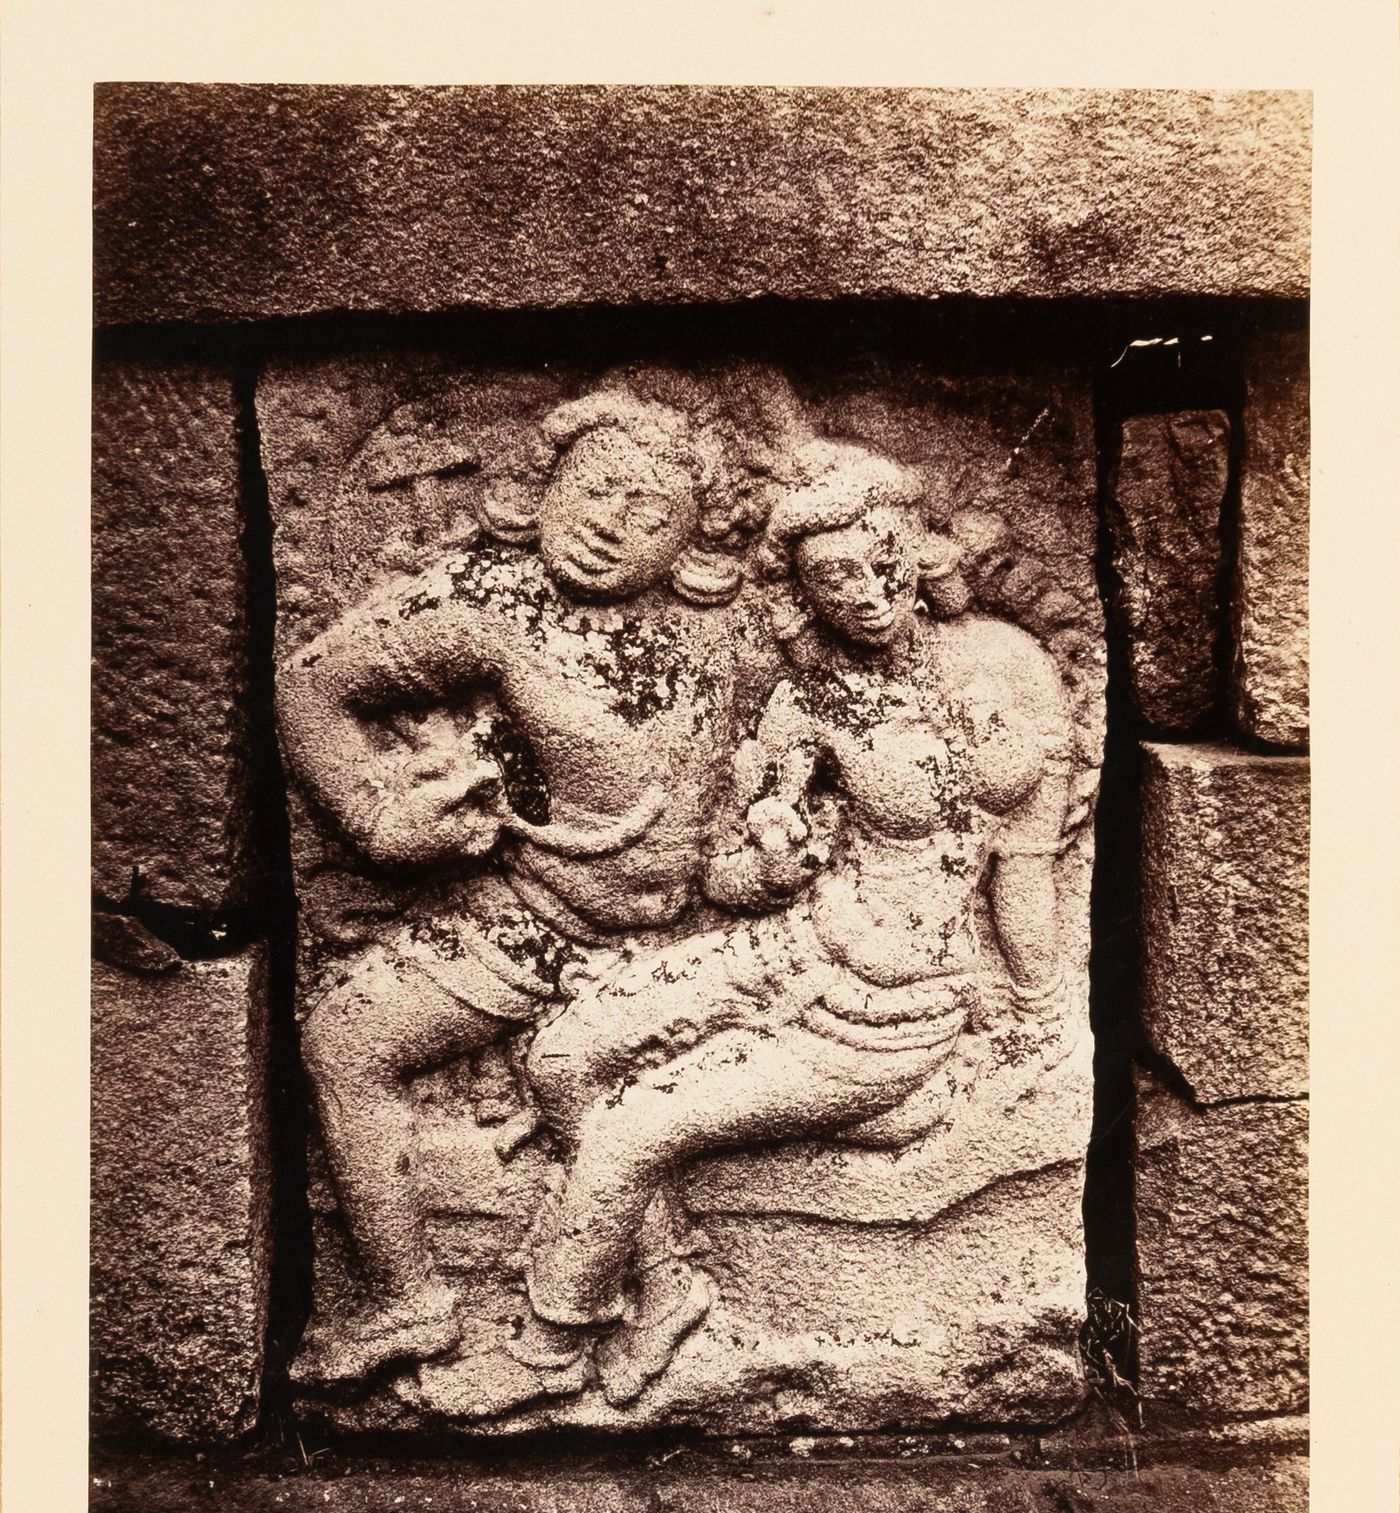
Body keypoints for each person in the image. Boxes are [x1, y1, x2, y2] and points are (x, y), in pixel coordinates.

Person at [514, 439, 1079, 1407]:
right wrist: (769, 853)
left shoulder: (1003, 669)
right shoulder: (806, 696)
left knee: (625, 1130)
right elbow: (729, 877)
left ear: (919, 546)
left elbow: (1025, 868)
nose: (862, 591)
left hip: (891, 1012)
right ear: (803, 594)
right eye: (832, 578)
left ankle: (542, 1351)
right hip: (792, 946)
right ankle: (667, 1285)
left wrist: (1033, 1016)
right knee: (561, 1060)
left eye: (879, 560)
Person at [277, 373, 777, 1389]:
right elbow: (311, 685)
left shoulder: (723, 632)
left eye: (649, 514)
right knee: (345, 1035)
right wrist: (380, 818)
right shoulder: (495, 611)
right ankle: (406, 1300)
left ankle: (644, 1290)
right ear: (542, 488)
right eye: (594, 490)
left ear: (688, 543)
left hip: (693, 926)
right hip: (545, 917)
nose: (608, 527)